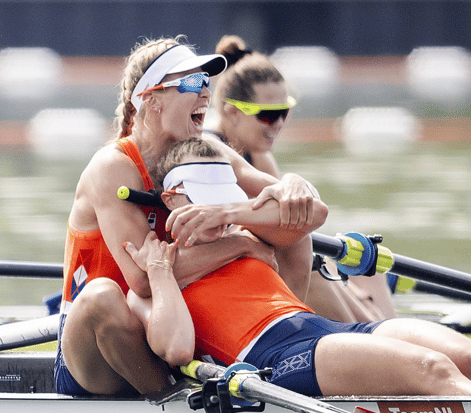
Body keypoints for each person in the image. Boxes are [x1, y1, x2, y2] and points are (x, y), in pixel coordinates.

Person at [54, 36, 324, 398]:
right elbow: (143, 280)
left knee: (292, 237)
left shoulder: (205, 153)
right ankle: (171, 404)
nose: (205, 95)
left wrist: (293, 183)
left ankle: (283, 353)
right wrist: (242, 243)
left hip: (165, 327)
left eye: (207, 84)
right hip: (100, 349)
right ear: (151, 100)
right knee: (103, 295)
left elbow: (307, 216)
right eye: (192, 83)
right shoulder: (113, 168)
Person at [123, 137, 471, 397]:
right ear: (170, 198)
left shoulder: (258, 238)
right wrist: (160, 271)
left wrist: (236, 212)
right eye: (204, 195)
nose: (212, 208)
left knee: (465, 357)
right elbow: (178, 350)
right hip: (281, 359)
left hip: (331, 333)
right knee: (435, 369)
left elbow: (311, 215)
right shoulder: (152, 276)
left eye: (223, 194)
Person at [206, 35, 394, 321]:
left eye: (285, 112)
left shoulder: (260, 156)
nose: (279, 125)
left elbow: (293, 219)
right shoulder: (207, 150)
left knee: (371, 273)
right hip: (230, 282)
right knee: (321, 275)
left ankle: (388, 334)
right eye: (268, 116)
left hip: (274, 268)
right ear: (232, 113)